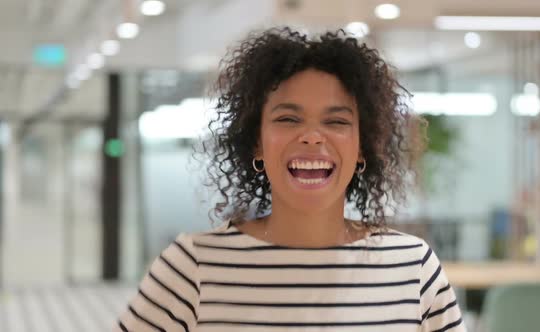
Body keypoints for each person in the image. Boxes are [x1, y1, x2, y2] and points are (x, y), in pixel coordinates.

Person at [114, 27, 465, 332]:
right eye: (288, 119)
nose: (312, 137)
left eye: (337, 122)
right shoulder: (194, 267)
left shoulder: (412, 267)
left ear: (363, 147)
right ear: (257, 143)